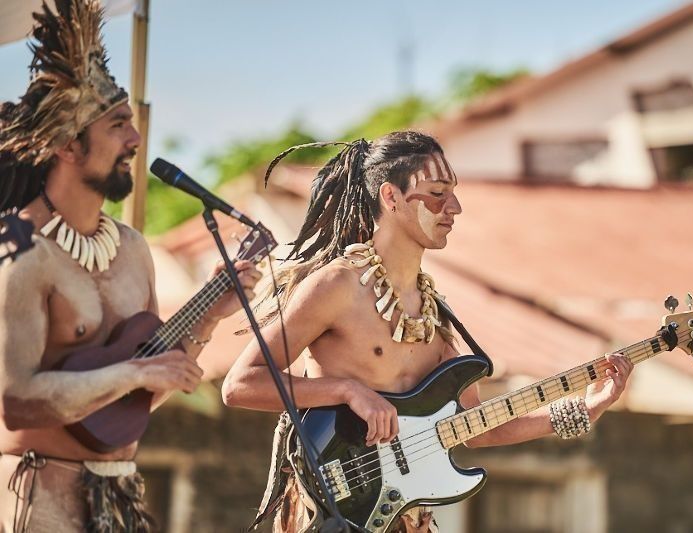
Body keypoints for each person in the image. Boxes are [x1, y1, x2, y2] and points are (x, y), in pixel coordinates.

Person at [222, 132, 634, 532]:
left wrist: (583, 410)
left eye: (453, 193)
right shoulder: (337, 286)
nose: (453, 207)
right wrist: (348, 391)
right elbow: (240, 385)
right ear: (391, 196)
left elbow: (476, 427)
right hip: (330, 514)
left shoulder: (435, 314)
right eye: (437, 193)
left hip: (405, 519)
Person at [0, 1, 260, 531]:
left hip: (118, 497)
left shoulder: (132, 249)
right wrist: (136, 370)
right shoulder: (22, 250)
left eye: (133, 125)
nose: (136, 142)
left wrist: (208, 316)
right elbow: (16, 401)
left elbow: (134, 401)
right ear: (69, 144)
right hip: (36, 498)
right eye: (119, 125)